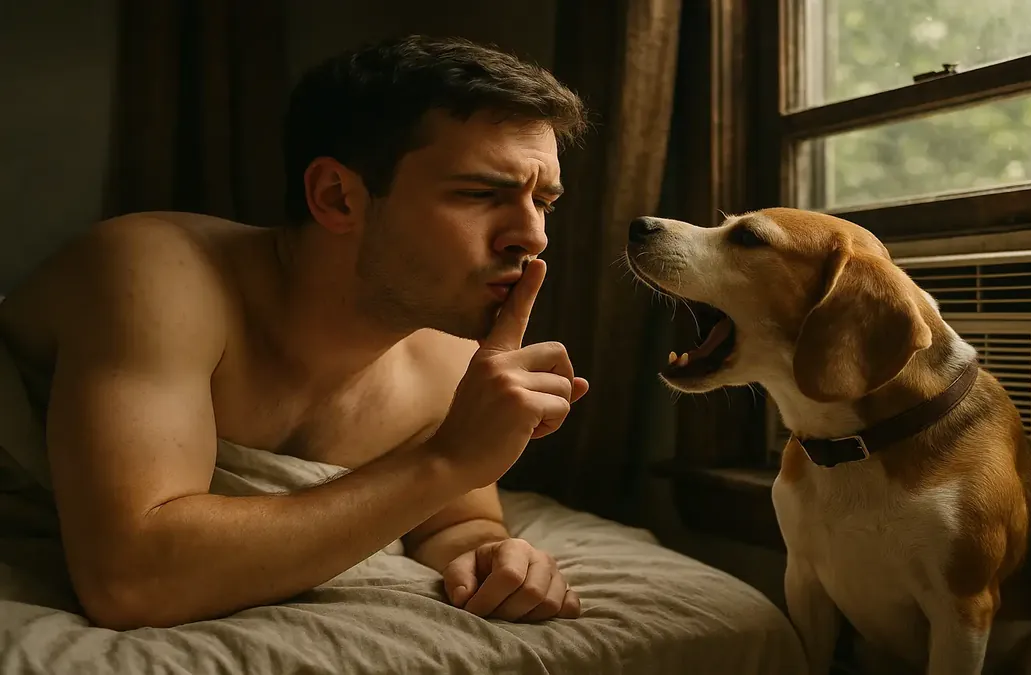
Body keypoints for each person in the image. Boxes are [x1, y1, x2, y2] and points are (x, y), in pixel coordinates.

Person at [0, 35, 591, 631]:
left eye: (543, 202)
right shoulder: (154, 276)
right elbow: (132, 581)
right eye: (480, 194)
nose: (532, 236)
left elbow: (454, 522)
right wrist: (446, 458)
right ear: (337, 197)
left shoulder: (447, 358)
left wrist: (494, 557)